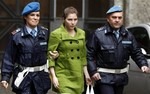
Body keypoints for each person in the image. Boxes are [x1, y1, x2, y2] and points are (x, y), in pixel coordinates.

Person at [86, 5, 149, 94]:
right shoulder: (98, 34)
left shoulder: (128, 35)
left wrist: (143, 64)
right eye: (114, 17)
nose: (117, 20)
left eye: (119, 17)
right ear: (108, 19)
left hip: (120, 78)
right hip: (104, 78)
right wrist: (93, 71)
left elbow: (136, 52)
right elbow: (89, 54)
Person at [0, 2, 57, 94]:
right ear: (25, 17)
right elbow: (8, 58)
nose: (35, 18)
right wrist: (5, 78)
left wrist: (55, 55)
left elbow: (51, 52)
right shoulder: (17, 36)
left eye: (37, 15)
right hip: (24, 79)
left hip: (41, 79)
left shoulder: (45, 33)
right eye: (32, 15)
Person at [48, 6, 92, 94]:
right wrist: (54, 77)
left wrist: (86, 74)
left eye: (75, 19)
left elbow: (83, 56)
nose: (73, 23)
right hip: (63, 74)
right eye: (70, 19)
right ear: (63, 19)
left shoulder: (82, 33)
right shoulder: (56, 34)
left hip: (78, 75)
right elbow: (50, 57)